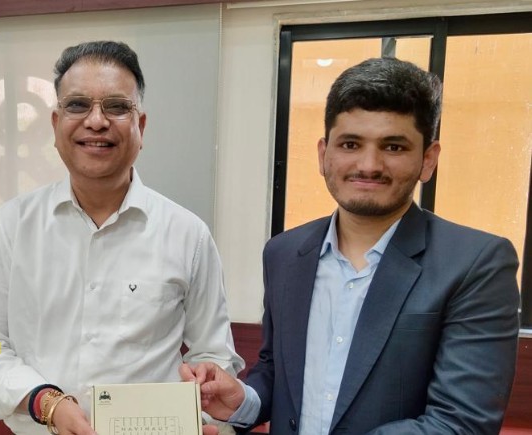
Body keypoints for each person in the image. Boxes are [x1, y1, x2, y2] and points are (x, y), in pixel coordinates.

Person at [181, 58, 520, 434]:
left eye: (393, 146)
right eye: (350, 144)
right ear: (324, 155)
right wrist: (244, 400)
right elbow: (278, 372)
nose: (369, 164)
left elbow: (461, 423)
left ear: (428, 160)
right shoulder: (284, 253)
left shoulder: (476, 263)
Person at [0, 40, 243, 435]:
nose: (96, 121)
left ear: (140, 127)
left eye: (116, 107)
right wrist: (44, 401)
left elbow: (213, 352)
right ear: (55, 125)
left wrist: (203, 397)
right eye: (77, 105)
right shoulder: (13, 225)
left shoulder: (186, 233)